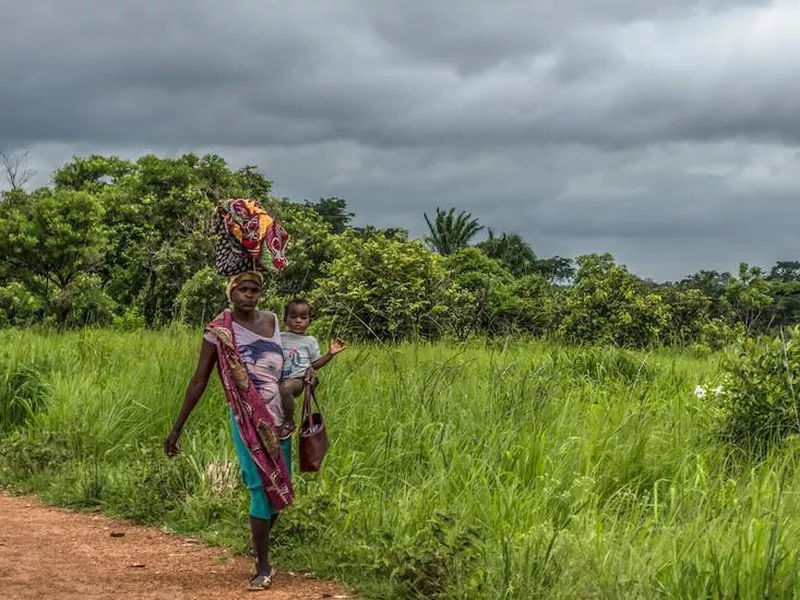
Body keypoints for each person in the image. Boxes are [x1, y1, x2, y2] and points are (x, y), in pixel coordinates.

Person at [164, 271, 292, 591]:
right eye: (243, 289)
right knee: (259, 488)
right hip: (247, 421)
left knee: (278, 493)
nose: (249, 294)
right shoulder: (219, 332)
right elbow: (199, 381)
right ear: (231, 293)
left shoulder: (274, 322)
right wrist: (177, 428)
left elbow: (284, 373)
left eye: (255, 289)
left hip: (279, 422)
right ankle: (263, 566)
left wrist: (304, 383)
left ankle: (257, 542)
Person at [278, 298, 346, 435]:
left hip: (298, 380)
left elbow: (314, 364)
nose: (298, 321)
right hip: (278, 378)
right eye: (293, 317)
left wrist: (330, 354)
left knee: (286, 388)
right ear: (285, 319)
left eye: (303, 317)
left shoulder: (310, 341)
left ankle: (289, 422)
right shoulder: (279, 336)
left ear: (309, 321)